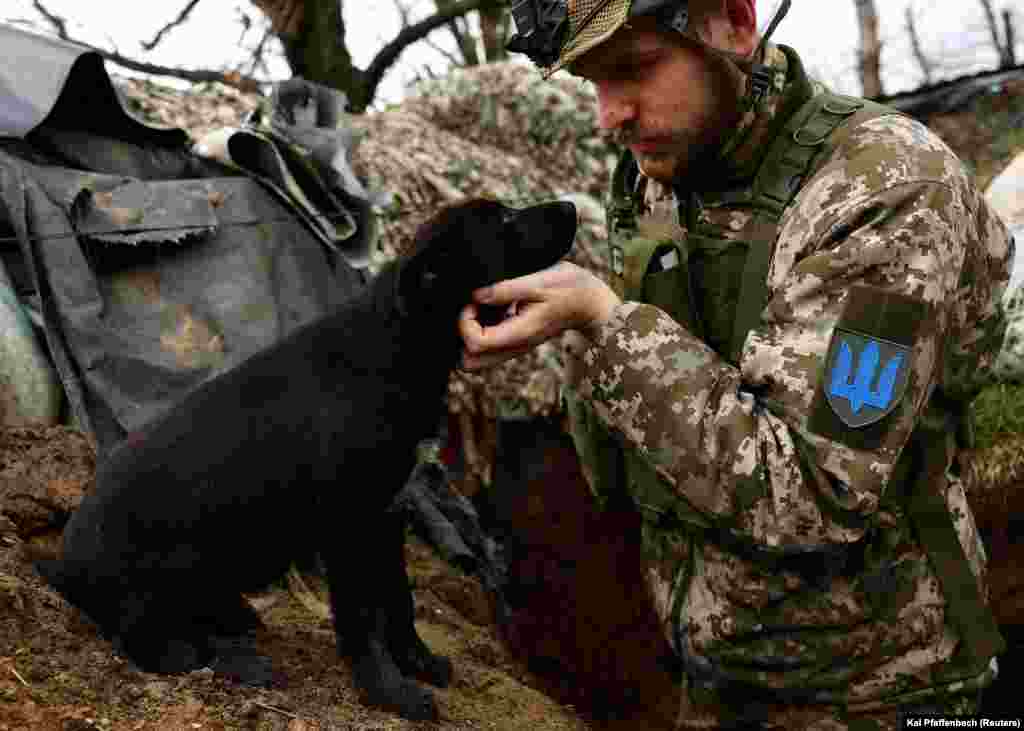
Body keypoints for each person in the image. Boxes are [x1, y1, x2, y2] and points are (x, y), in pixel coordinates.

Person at [458, 0, 1015, 728]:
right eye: (591, 82)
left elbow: (812, 494)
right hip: (714, 676)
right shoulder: (666, 168)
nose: (608, 116)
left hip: (875, 690)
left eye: (631, 69)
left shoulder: (886, 193)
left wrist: (602, 321)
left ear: (733, 23)